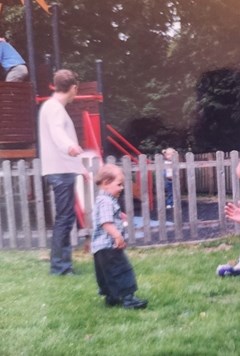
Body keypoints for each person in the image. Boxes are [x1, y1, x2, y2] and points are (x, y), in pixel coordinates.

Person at [39, 69, 84, 276]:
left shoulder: (51, 106)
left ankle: (61, 264)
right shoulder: (55, 108)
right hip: (60, 171)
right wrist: (70, 147)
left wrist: (81, 169)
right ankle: (60, 267)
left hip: (62, 169)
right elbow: (58, 133)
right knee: (65, 218)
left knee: (65, 217)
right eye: (77, 89)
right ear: (73, 88)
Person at [91, 164, 148, 309]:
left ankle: (112, 297)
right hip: (109, 245)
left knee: (106, 273)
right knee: (122, 270)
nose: (122, 188)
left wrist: (119, 215)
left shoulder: (103, 200)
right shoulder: (106, 201)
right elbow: (106, 222)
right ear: (106, 183)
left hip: (100, 248)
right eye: (119, 184)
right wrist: (117, 236)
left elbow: (107, 216)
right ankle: (128, 299)